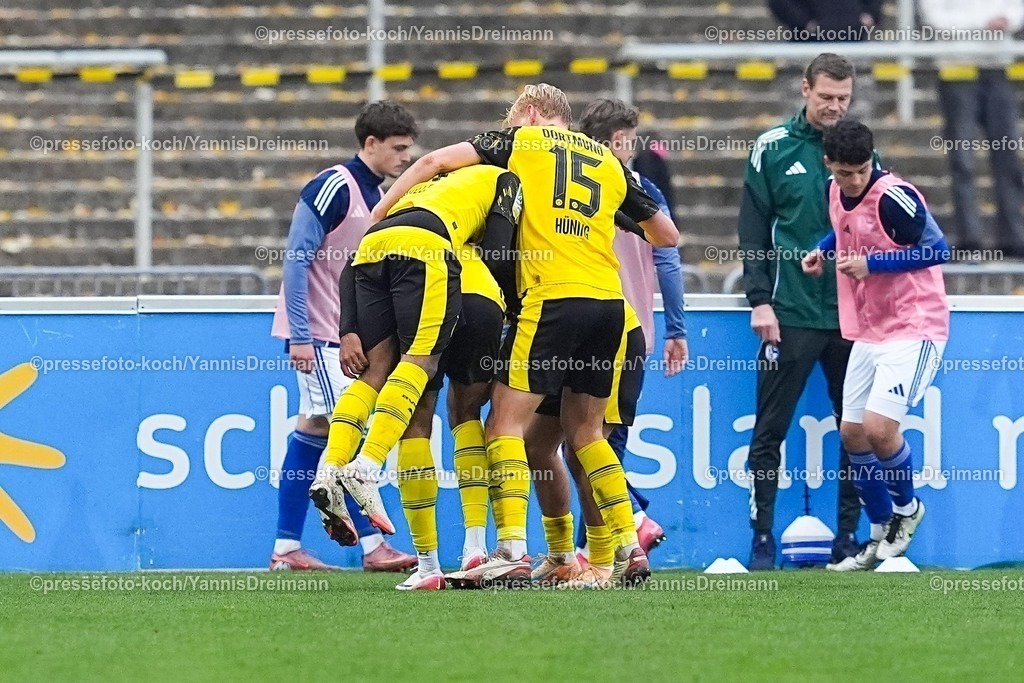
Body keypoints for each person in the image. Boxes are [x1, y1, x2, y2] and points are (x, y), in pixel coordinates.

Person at [370, 84, 678, 588]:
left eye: (513, 119)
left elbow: (434, 163)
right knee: (587, 434)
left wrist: (380, 214)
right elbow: (667, 233)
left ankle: (511, 549)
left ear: (532, 114)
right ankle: (624, 546)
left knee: (503, 427)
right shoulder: (606, 160)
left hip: (552, 299)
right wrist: (605, 216)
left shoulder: (521, 142)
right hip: (610, 305)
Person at [310, 163, 522, 591]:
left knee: (400, 404)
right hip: (469, 292)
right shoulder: (505, 179)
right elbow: (501, 254)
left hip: (376, 256)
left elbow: (353, 260)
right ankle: (475, 547)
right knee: (467, 414)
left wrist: (346, 328)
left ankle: (424, 563)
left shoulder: (419, 190)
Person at [523, 98, 688, 587]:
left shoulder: (621, 184)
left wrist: (676, 327)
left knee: (588, 446)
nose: (631, 150)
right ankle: (586, 548)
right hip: (573, 323)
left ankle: (618, 544)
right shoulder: (617, 183)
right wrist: (676, 327)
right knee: (546, 443)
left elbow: (668, 249)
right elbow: (669, 249)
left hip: (606, 327)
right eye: (625, 142)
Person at [268, 101, 418, 572]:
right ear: (370, 143)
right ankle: (374, 546)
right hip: (320, 337)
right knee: (346, 432)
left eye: (409, 150)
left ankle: (287, 549)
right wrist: (299, 334)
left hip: (340, 337)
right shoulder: (335, 186)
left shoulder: (376, 193)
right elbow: (297, 259)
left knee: (314, 431)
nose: (405, 159)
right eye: (397, 149)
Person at [739, 53, 871, 570]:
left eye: (843, 98)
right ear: (805, 89)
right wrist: (759, 300)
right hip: (788, 310)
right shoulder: (772, 147)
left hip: (849, 317)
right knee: (770, 427)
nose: (835, 107)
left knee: (853, 428)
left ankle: (847, 536)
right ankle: (763, 537)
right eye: (826, 97)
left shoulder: (861, 151)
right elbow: (753, 231)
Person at [801, 119, 950, 570]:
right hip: (870, 326)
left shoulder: (894, 196)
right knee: (851, 432)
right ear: (829, 164)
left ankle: (908, 512)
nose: (853, 180)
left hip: (914, 323)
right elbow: (846, 230)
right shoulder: (834, 188)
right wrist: (823, 249)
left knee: (881, 429)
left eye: (861, 170)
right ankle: (880, 531)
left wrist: (874, 264)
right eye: (844, 172)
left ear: (872, 161)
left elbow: (938, 249)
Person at [918, 0, 1024, 255]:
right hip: (957, 69)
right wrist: (984, 26)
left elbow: (1017, 9)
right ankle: (969, 238)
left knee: (1007, 157)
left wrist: (1006, 22)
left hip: (997, 67)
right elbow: (935, 19)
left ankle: (1013, 237)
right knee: (962, 160)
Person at [768, 0, 882, 41]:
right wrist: (804, 23)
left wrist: (870, 14)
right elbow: (779, 3)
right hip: (807, 43)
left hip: (854, 40)